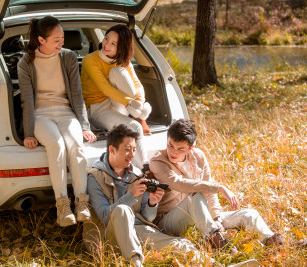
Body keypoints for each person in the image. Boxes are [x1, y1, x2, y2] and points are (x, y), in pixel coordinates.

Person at [149, 119, 284, 253]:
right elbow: (180, 184)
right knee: (194, 195)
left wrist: (216, 217)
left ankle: (272, 241)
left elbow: (209, 193)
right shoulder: (158, 161)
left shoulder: (199, 156)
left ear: (190, 148)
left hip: (202, 217)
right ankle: (219, 243)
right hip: (170, 221)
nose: (173, 152)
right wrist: (219, 187)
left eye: (180, 149)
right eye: (170, 145)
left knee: (249, 213)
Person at [83, 124, 204, 267]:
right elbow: (104, 217)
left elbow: (147, 218)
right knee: (122, 210)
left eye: (134, 150)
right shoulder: (94, 177)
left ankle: (211, 264)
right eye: (127, 150)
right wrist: (131, 194)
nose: (132, 155)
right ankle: (135, 263)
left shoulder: (137, 175)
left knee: (181, 244)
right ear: (112, 150)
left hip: (139, 231)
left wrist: (152, 203)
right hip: (110, 236)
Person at [18, 16, 97, 227]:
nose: (62, 43)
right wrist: (28, 133)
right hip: (40, 115)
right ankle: (62, 205)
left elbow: (77, 95)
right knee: (56, 145)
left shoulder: (68, 57)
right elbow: (26, 100)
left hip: (65, 113)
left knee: (77, 146)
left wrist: (84, 126)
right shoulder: (25, 63)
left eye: (63, 38)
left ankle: (82, 202)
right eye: (56, 39)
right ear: (41, 40)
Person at [81, 24, 151, 168]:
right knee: (135, 128)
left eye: (113, 43)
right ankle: (144, 168)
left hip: (118, 104)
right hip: (97, 108)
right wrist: (129, 104)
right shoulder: (90, 60)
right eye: (106, 39)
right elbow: (105, 88)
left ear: (121, 48)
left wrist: (139, 102)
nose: (106, 45)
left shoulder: (123, 60)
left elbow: (137, 85)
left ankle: (139, 113)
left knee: (118, 72)